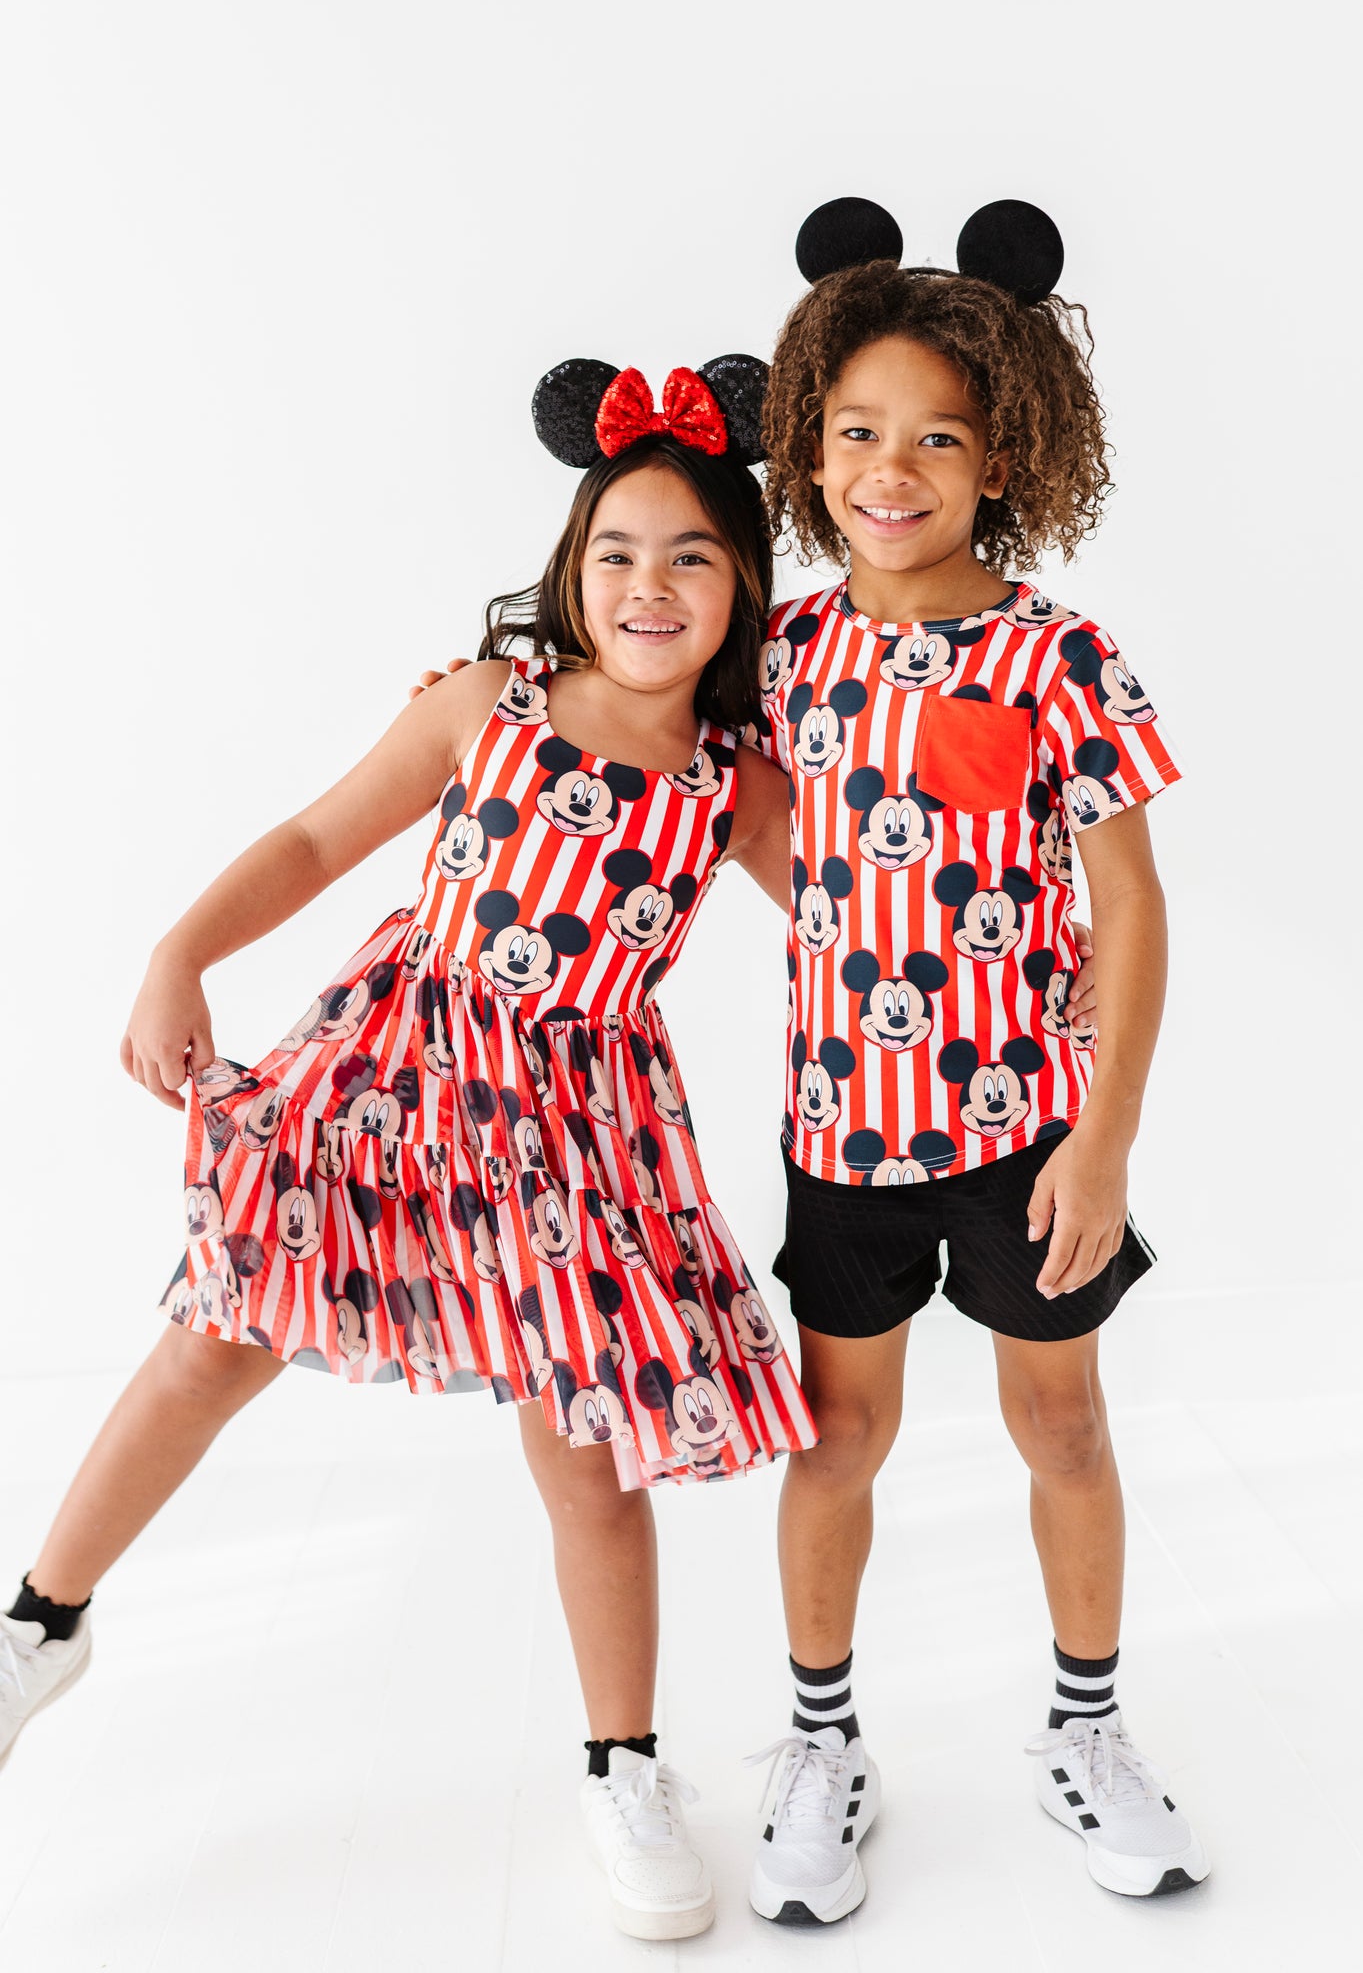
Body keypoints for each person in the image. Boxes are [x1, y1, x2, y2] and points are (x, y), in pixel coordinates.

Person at [0, 351, 816, 1942]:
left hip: (578, 1136)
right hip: (392, 1074)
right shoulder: (484, 705)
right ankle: (39, 1623)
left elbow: (860, 928)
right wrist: (179, 954)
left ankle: (624, 1767)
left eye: (692, 558)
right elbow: (317, 837)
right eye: (617, 553)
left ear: (743, 591)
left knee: (585, 1451)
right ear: (572, 569)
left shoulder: (738, 787)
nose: (650, 587)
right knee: (211, 1341)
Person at [739, 196, 1207, 1920]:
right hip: (842, 1135)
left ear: (1005, 455)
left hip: (1029, 1139)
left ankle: (1089, 1728)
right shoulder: (780, 650)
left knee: (1060, 1425)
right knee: (836, 1437)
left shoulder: (1058, 655)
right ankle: (820, 1743)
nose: (895, 467)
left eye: (939, 436)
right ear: (807, 447)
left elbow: (1131, 902)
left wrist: (1105, 1137)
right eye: (859, 430)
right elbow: (741, 811)